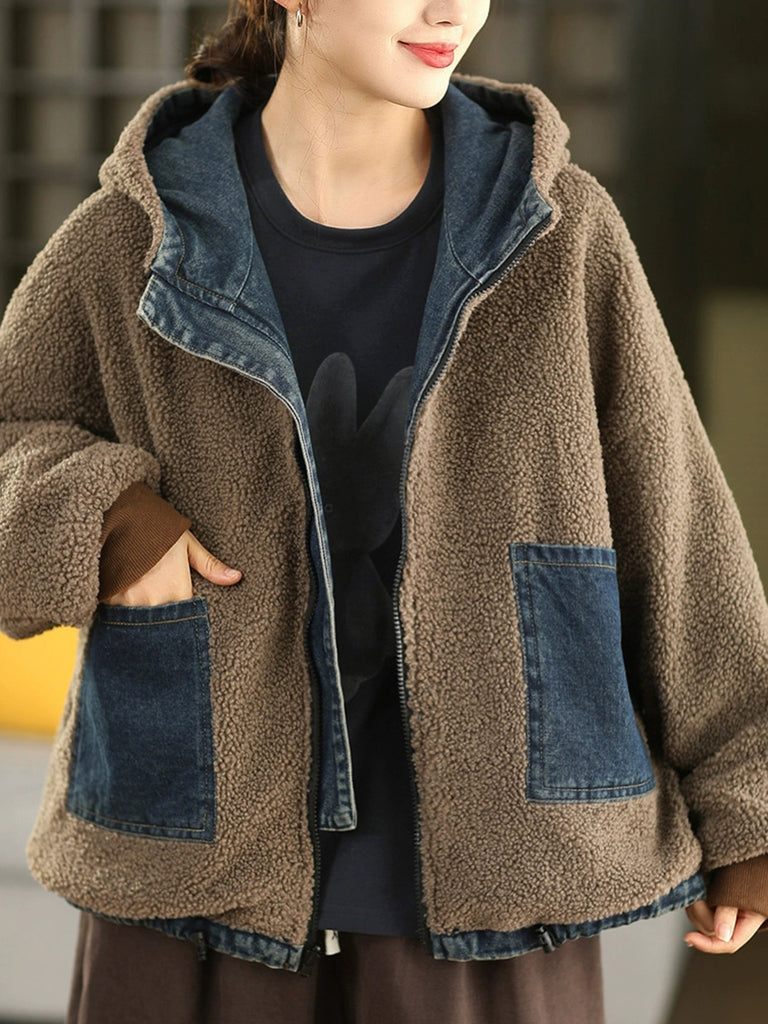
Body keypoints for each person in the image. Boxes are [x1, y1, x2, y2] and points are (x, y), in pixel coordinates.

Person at [1, 0, 767, 1020]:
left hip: (492, 887)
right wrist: (104, 517)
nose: (452, 10)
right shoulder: (135, 235)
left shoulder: (557, 228)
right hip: (190, 877)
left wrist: (751, 801)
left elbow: (675, 521)